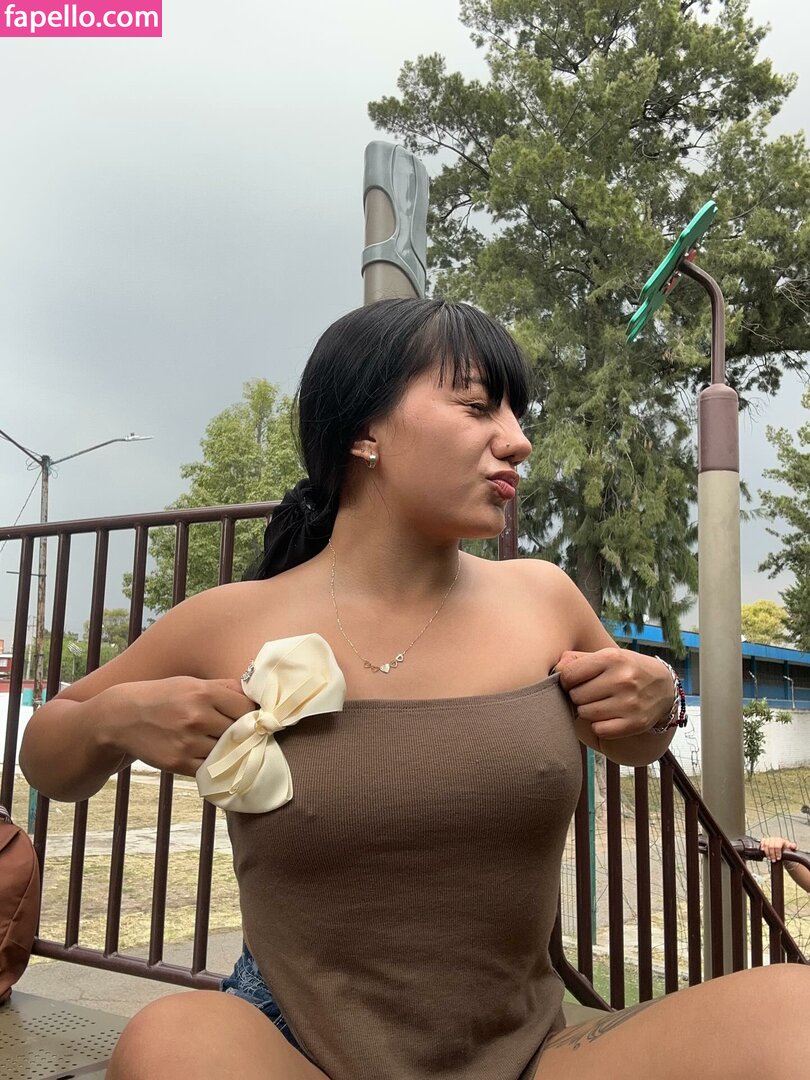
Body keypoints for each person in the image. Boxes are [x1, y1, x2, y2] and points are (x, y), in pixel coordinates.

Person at [20, 299, 808, 1080]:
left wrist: (662, 699)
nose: (518, 440)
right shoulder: (229, 620)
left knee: (792, 1013)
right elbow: (47, 757)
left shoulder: (544, 598)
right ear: (364, 431)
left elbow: (634, 740)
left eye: (517, 413)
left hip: (531, 1056)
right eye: (478, 407)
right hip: (297, 1057)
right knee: (172, 1043)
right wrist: (118, 719)